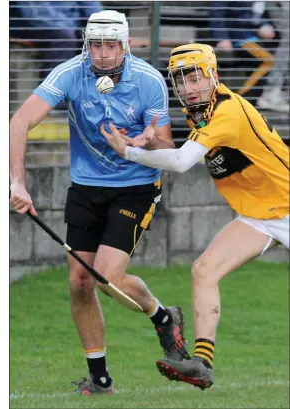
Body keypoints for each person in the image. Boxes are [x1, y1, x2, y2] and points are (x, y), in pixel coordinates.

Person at [9, 10, 189, 395]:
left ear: (125, 45)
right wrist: (18, 183)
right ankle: (100, 379)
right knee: (78, 282)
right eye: (96, 45)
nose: (104, 55)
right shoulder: (70, 73)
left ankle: (163, 317)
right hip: (86, 187)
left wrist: (144, 142)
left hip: (136, 187)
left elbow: (167, 145)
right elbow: (20, 122)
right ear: (86, 45)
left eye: (111, 46)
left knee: (107, 278)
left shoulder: (148, 80)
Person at [100, 43, 289, 390]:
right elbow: (184, 152)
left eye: (195, 78)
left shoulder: (227, 112)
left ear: (214, 76)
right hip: (260, 214)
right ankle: (202, 364)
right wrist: (150, 144)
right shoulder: (201, 112)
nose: (188, 88)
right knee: (204, 270)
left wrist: (128, 152)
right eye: (181, 81)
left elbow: (182, 163)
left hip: (287, 205)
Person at [209, 1, 287, 111]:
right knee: (269, 61)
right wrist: (221, 38)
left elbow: (255, 15)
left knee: (272, 59)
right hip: (239, 36)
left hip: (254, 36)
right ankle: (240, 99)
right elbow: (217, 13)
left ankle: (254, 101)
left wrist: (264, 25)